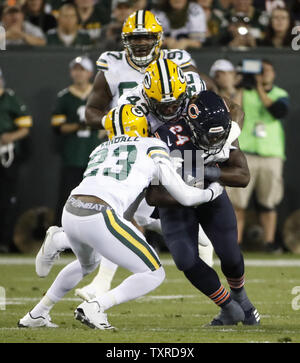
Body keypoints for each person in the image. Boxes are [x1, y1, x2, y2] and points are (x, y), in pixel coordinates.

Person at [35, 9, 215, 299]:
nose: (142, 44)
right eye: (135, 38)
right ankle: (101, 281)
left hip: (179, 140)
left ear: (159, 38)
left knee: (176, 200)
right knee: (124, 212)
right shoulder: (113, 64)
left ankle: (200, 237)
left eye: (146, 38)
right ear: (124, 40)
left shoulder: (179, 60)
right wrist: (113, 120)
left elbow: (202, 94)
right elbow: (93, 110)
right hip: (135, 144)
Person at [18, 104, 223, 329]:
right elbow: (185, 197)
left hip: (72, 209)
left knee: (88, 264)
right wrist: (212, 192)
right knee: (154, 273)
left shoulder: (100, 149)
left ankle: (37, 312)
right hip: (100, 215)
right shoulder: (152, 145)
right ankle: (95, 307)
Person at [116, 61, 259, 325]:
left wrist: (223, 142)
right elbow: (153, 195)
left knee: (230, 254)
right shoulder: (136, 114)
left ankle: (241, 298)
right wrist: (192, 186)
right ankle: (227, 307)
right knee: (184, 259)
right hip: (166, 178)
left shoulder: (203, 111)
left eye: (175, 104)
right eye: (164, 105)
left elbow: (234, 115)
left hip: (201, 181)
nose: (170, 110)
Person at [226, 59, 289, 253]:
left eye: (267, 71)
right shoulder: (246, 91)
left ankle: (269, 243)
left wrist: (259, 86)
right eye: (260, 71)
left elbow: (277, 111)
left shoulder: (280, 94)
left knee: (268, 202)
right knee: (238, 202)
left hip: (271, 154)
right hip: (246, 153)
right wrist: (241, 85)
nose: (263, 74)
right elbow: (232, 109)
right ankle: (234, 244)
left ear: (274, 74)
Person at [51, 55, 106, 226]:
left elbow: (111, 123)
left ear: (90, 73)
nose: (78, 73)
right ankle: (64, 233)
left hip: (96, 156)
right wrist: (79, 126)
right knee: (68, 196)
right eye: (75, 69)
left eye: (81, 69)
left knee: (99, 197)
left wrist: (100, 128)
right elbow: (57, 126)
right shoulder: (65, 97)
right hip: (73, 155)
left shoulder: (101, 95)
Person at [0, 67, 33, 253]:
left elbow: (25, 127)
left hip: (7, 155)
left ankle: (4, 241)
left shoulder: (10, 99)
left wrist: (9, 137)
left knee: (7, 199)